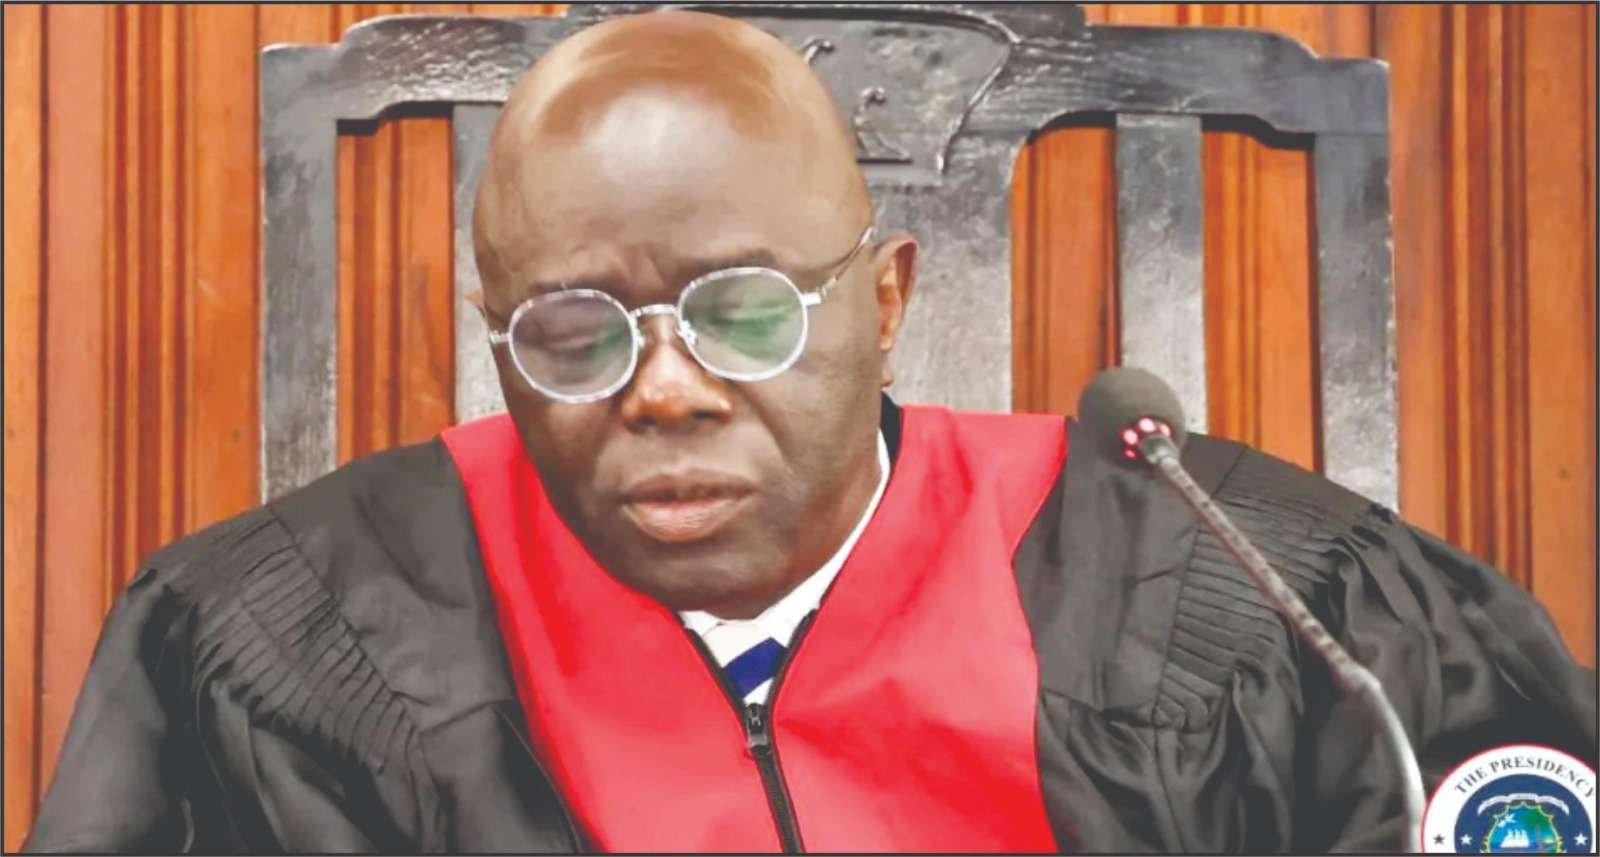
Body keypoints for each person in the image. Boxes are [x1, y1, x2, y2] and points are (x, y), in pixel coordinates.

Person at [23, 9, 1595, 854]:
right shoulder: (283, 643)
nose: (667, 389)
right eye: (575, 332)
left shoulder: (1257, 602)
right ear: (499, 340)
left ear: (887, 295)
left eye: (747, 310)